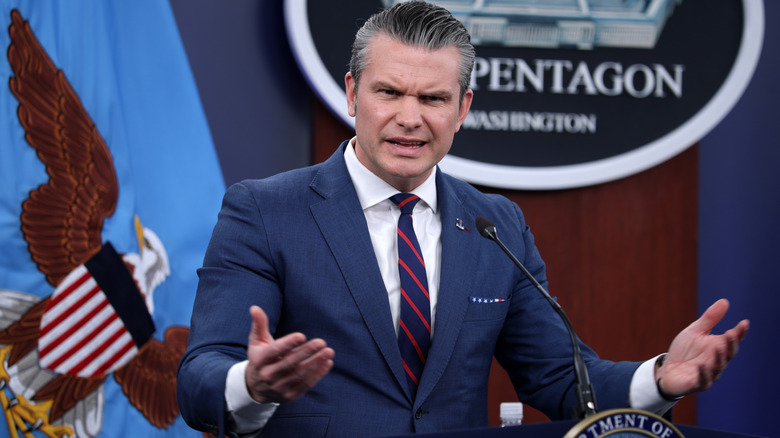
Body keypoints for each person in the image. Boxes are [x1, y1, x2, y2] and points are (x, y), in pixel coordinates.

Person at [176, 2, 749, 437]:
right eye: (389, 92)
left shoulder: (494, 224)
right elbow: (198, 377)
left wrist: (659, 380)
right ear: (352, 93)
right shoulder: (265, 210)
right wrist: (250, 385)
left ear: (462, 108)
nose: (409, 118)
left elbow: (559, 378)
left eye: (432, 99)